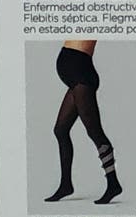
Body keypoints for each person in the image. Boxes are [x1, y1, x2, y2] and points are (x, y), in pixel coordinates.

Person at [46, 39, 121, 204]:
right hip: (76, 79)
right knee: (60, 130)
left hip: (82, 76)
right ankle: (66, 185)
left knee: (95, 132)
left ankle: (113, 183)